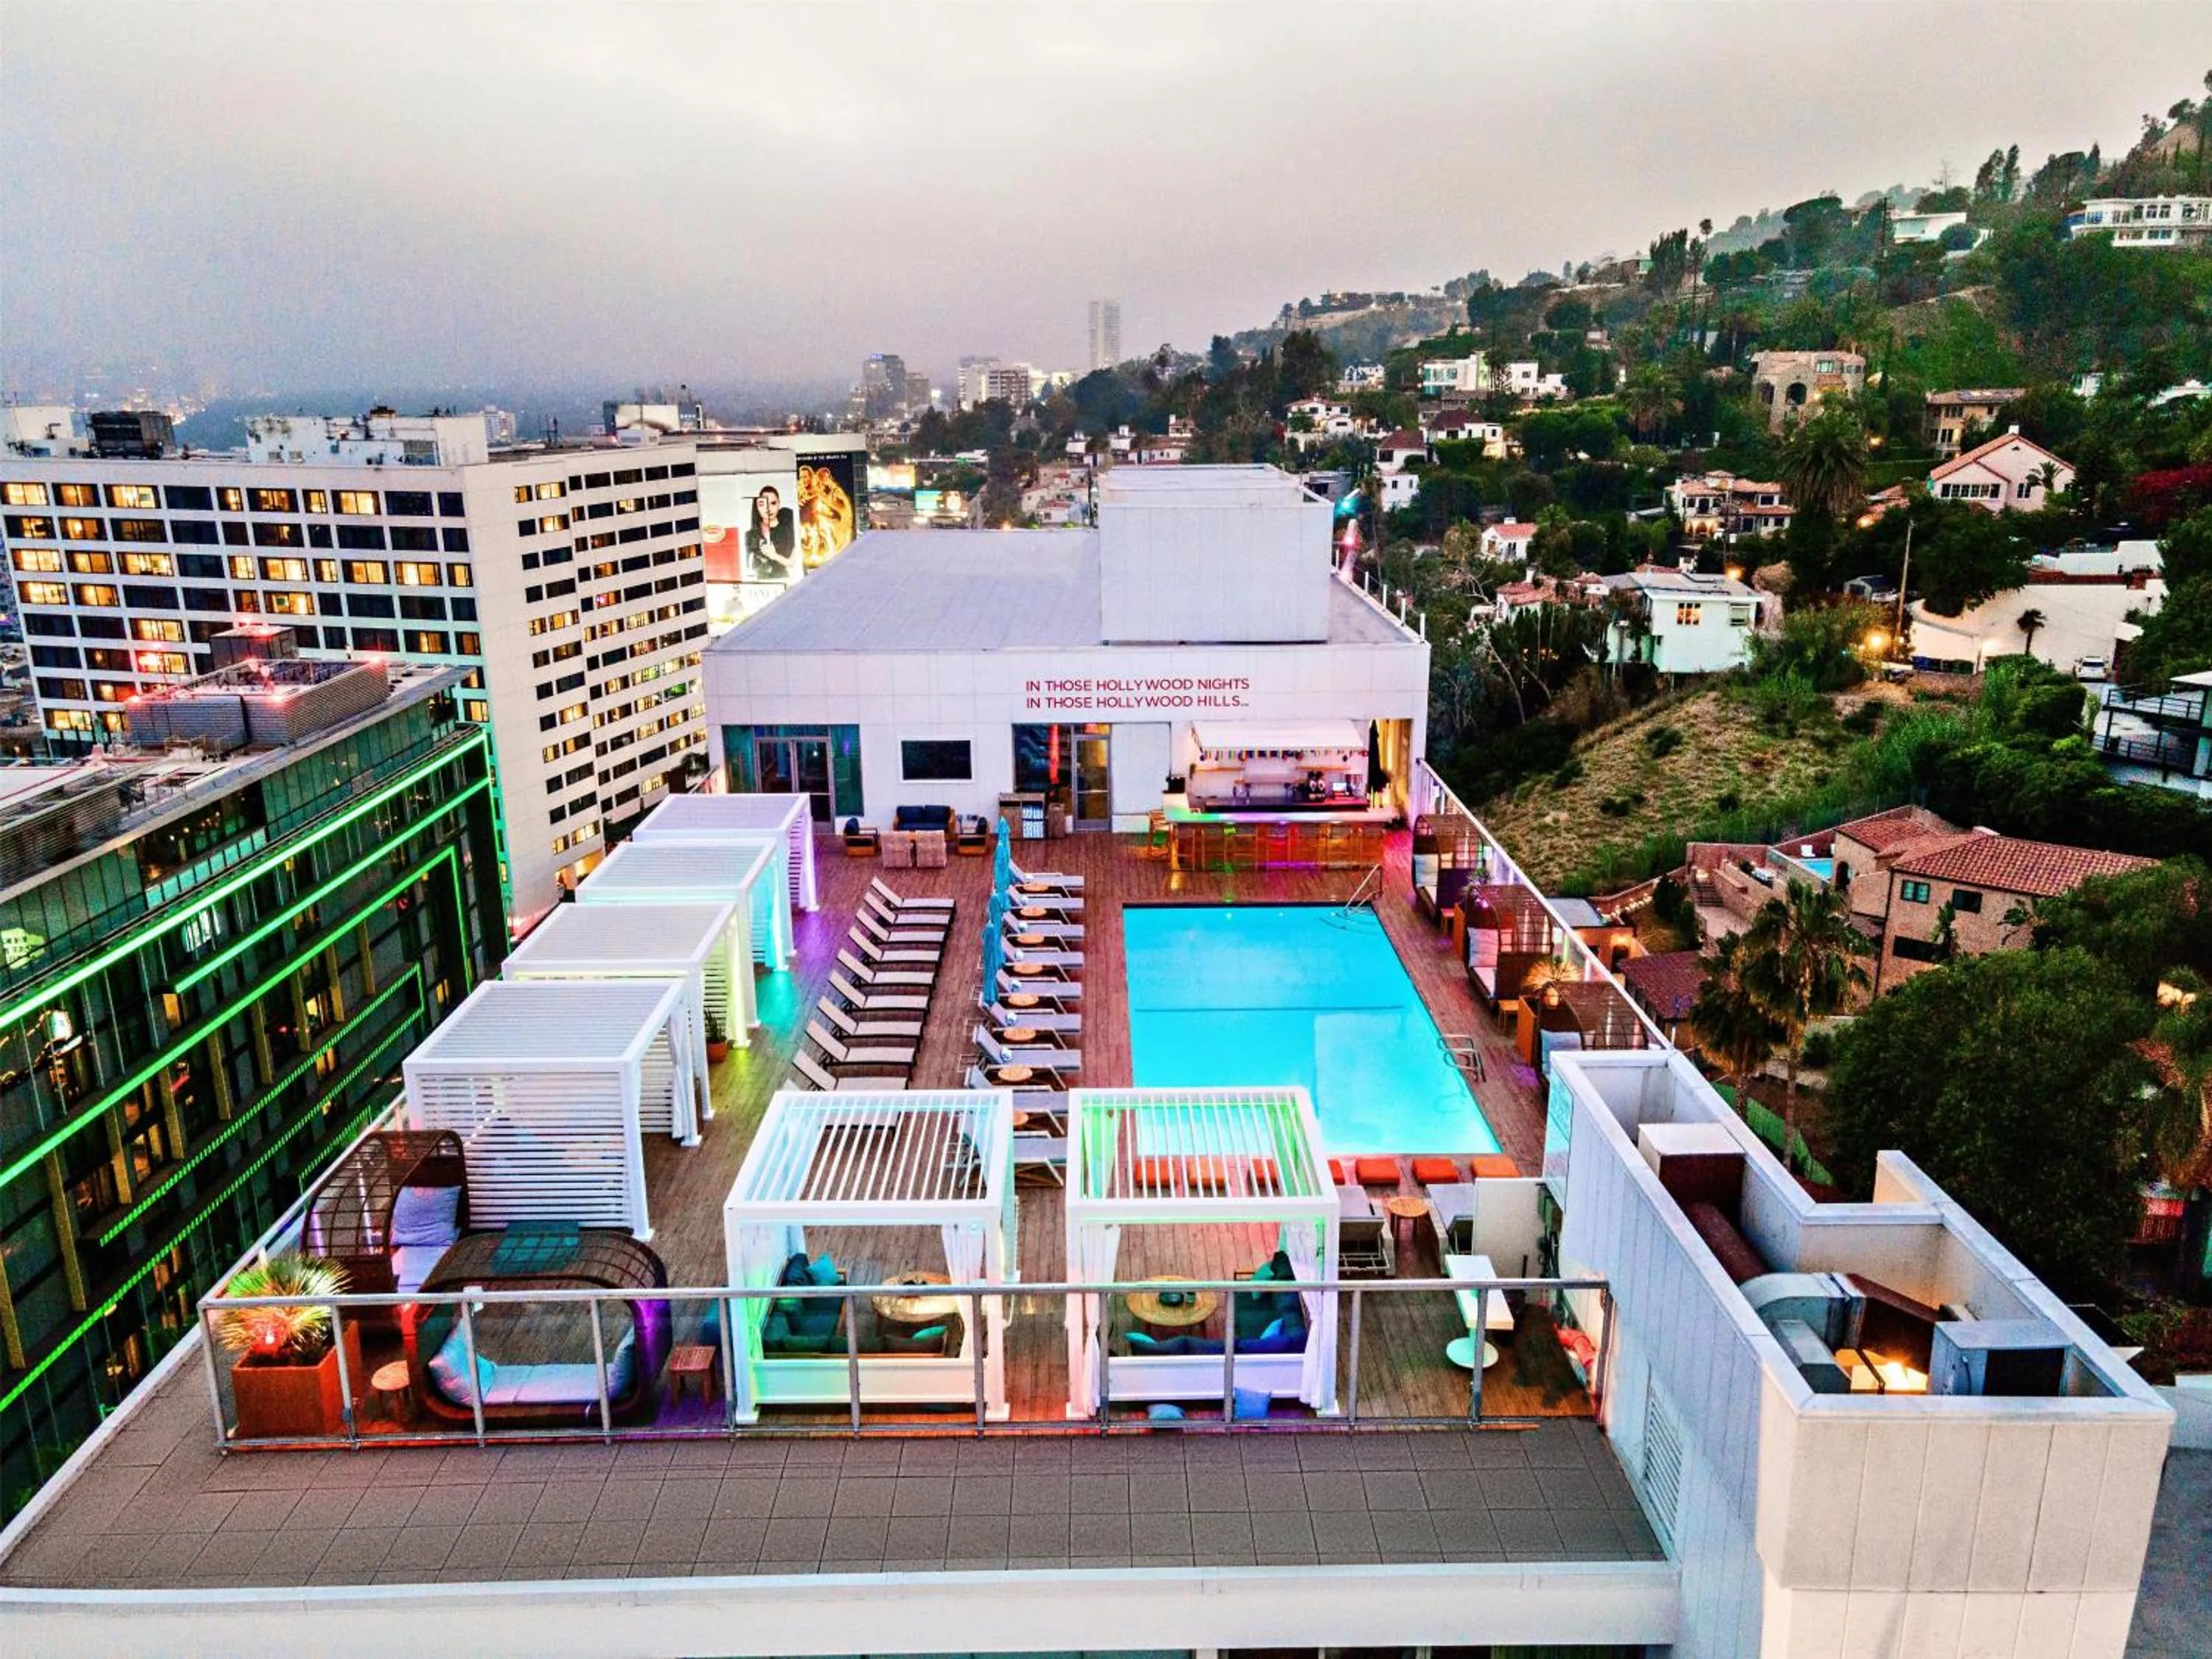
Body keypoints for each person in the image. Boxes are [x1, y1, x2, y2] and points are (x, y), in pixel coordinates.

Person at [744, 485, 796, 582]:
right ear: (758, 507)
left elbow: (793, 562)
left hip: (784, 580)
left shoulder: (789, 523)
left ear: (779, 503)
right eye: (762, 504)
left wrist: (775, 556)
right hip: (761, 582)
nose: (768, 509)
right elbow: (748, 567)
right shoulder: (751, 535)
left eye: (773, 503)